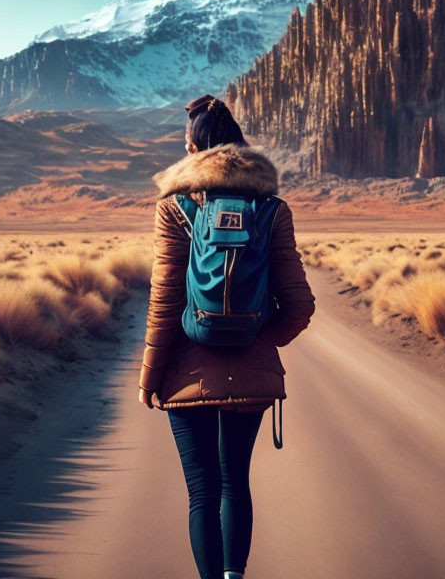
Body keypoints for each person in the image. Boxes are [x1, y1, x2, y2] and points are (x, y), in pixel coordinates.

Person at [138, 94, 316, 579]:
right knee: (236, 482)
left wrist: (149, 377)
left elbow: (164, 303)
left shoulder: (175, 208)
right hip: (250, 374)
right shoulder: (272, 209)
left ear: (193, 146)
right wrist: (256, 337)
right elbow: (300, 306)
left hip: (186, 373)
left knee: (202, 491)